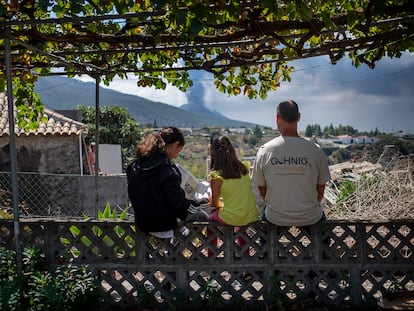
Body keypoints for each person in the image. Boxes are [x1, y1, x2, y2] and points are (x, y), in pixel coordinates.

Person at [251, 99, 331, 226]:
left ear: (277, 118)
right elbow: (320, 190)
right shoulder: (315, 150)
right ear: (298, 117)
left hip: (275, 217)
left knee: (264, 240)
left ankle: (265, 246)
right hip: (310, 216)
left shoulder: (264, 151)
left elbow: (262, 191)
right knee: (324, 238)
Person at [126, 126, 208, 238]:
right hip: (162, 223)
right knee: (201, 216)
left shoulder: (134, 166)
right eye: (179, 151)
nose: (176, 155)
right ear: (176, 145)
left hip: (141, 221)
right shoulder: (168, 170)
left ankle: (171, 251)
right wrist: (200, 201)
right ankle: (176, 251)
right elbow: (178, 204)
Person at [208, 135, 259, 226]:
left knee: (211, 217)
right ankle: (242, 240)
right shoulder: (244, 168)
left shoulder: (216, 176)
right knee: (238, 220)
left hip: (233, 218)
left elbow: (215, 204)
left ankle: (211, 241)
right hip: (251, 215)